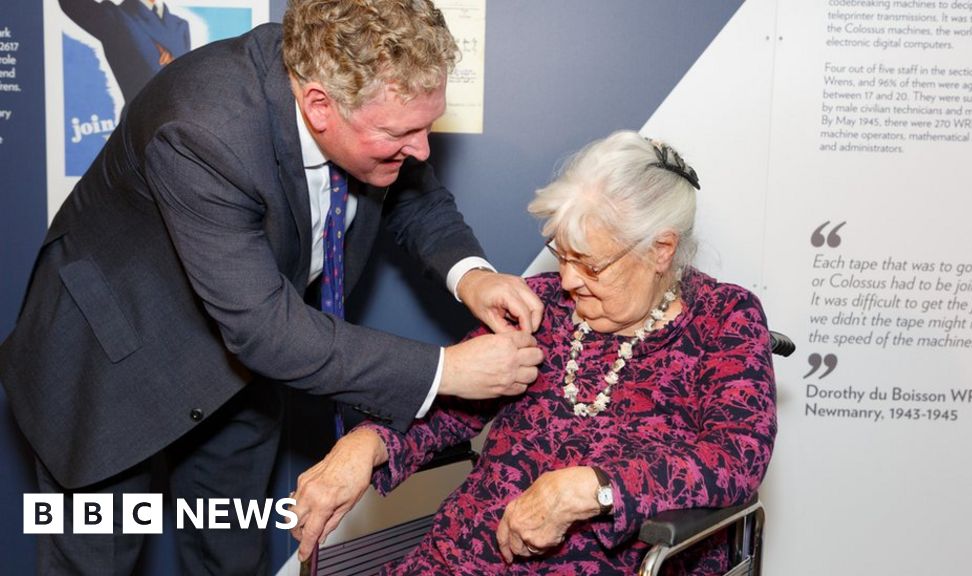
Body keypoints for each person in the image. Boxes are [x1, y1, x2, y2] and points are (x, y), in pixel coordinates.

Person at [0, 1, 544, 574]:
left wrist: (474, 277)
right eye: (402, 133)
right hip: (109, 358)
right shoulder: (202, 128)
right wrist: (449, 371)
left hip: (238, 370)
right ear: (319, 106)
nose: (422, 150)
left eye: (426, 126)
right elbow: (266, 329)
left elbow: (416, 194)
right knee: (95, 562)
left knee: (232, 554)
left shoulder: (375, 102)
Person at [289, 130, 778, 574]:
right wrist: (368, 443)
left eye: (588, 263)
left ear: (660, 250)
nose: (566, 280)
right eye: (562, 255)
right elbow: (454, 406)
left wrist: (594, 488)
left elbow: (735, 455)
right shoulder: (540, 303)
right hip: (464, 554)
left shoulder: (724, 320)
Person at [59, 0, 192, 108]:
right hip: (140, 125)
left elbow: (185, 80)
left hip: (179, 123)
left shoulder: (180, 25)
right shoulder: (115, 16)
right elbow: (72, 4)